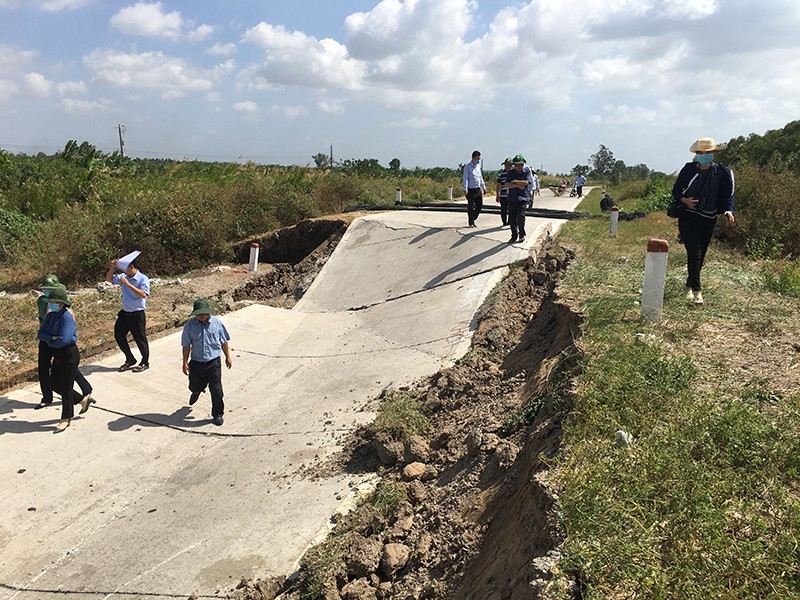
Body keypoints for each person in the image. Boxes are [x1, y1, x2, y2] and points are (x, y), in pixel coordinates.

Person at [671, 137, 735, 305]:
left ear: (713, 153)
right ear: (696, 154)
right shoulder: (689, 169)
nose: (704, 155)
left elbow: (728, 196)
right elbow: (676, 191)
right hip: (688, 216)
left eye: (707, 152)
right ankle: (698, 291)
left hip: (709, 218)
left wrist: (728, 211)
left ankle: (689, 286)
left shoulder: (723, 172)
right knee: (695, 252)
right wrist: (685, 201)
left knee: (701, 255)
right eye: (700, 152)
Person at [34, 274, 92, 410]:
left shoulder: (62, 303)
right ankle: (47, 397)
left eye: (50, 289)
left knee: (66, 368)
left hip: (58, 338)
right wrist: (45, 335)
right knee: (43, 367)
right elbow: (41, 319)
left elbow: (69, 319)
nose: (47, 291)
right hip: (47, 335)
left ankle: (83, 392)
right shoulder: (42, 300)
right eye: (45, 289)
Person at [181, 299, 233, 426]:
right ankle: (196, 391)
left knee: (216, 390)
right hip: (196, 363)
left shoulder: (217, 324)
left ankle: (218, 414)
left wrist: (228, 356)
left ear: (208, 312)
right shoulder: (189, 326)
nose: (201, 316)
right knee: (194, 385)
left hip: (213, 363)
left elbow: (224, 341)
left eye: (203, 313)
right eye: (198, 314)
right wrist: (185, 362)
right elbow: (186, 345)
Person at [106, 253, 151, 372]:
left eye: (125, 269)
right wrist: (112, 268)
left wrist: (128, 284)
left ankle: (145, 362)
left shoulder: (143, 278)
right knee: (118, 335)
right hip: (125, 313)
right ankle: (130, 358)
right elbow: (109, 279)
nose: (124, 272)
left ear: (132, 267)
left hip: (137, 314)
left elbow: (143, 294)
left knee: (140, 338)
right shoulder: (123, 276)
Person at [504, 155, 534, 244]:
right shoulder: (510, 173)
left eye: (520, 165)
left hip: (523, 198)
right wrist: (517, 185)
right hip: (512, 198)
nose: (518, 167)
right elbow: (507, 184)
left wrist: (515, 181)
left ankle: (521, 234)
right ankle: (514, 235)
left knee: (520, 216)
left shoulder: (526, 171)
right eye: (516, 165)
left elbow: (526, 182)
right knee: (512, 218)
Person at [462, 150, 486, 228]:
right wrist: (465, 189)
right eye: (477, 159)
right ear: (473, 158)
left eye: (479, 159)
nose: (478, 160)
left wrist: (484, 187)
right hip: (470, 189)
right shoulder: (467, 167)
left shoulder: (478, 167)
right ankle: (471, 222)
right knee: (471, 206)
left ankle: (473, 218)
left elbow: (480, 177)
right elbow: (465, 178)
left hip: (477, 189)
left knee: (479, 205)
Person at [495, 158, 512, 226]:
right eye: (506, 165)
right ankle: (504, 222)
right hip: (503, 195)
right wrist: (497, 195)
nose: (507, 167)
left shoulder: (514, 173)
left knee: (511, 209)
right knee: (503, 210)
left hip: (511, 195)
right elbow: (498, 185)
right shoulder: (501, 174)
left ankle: (510, 221)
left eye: (508, 165)